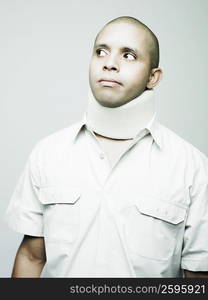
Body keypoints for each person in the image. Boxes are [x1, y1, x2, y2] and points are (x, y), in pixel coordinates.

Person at [4, 16, 208, 278]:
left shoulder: (192, 168)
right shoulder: (47, 153)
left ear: (153, 77)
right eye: (101, 52)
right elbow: (31, 256)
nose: (109, 64)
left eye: (129, 55)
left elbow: (198, 277)